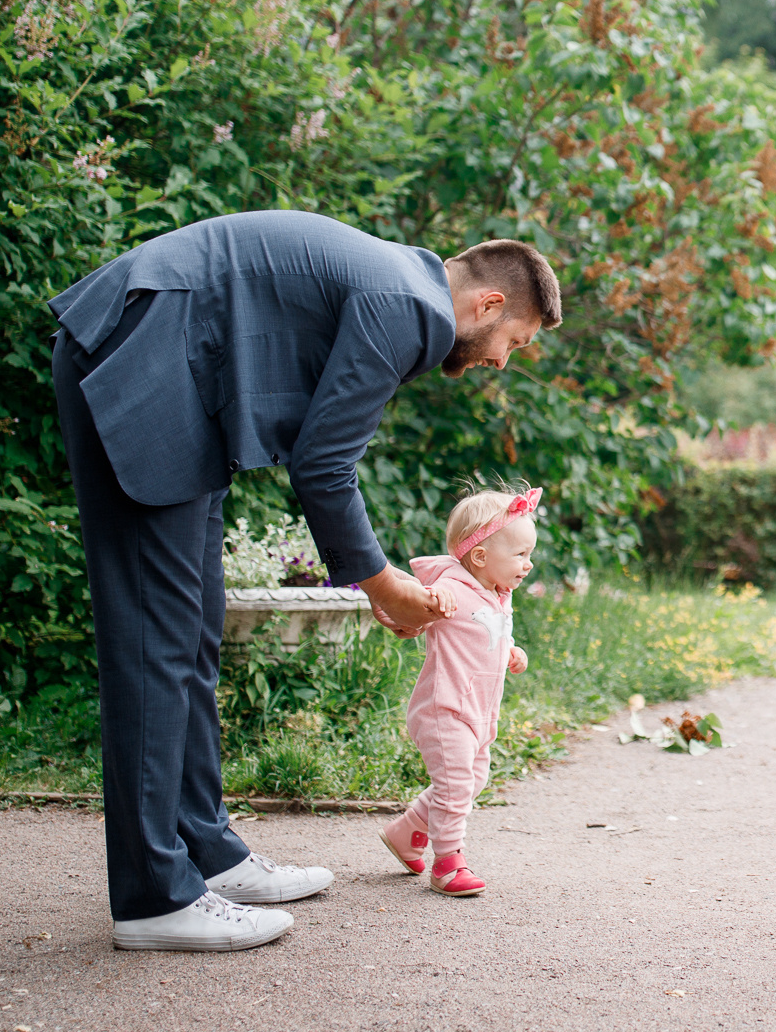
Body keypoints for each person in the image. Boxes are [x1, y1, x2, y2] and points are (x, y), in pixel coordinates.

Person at [49, 210, 562, 950]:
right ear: (487, 305)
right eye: (513, 341)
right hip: (145, 360)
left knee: (192, 631)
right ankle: (153, 895)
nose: (502, 360)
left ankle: (205, 852)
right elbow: (322, 463)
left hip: (175, 374)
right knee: (153, 641)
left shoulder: (401, 283)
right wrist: (385, 585)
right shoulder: (409, 306)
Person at [378, 485, 539, 897]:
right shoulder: (447, 590)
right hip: (445, 708)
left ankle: (407, 829)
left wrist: (511, 651)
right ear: (481, 556)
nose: (529, 564)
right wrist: (430, 602)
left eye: (529, 554)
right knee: (454, 787)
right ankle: (448, 863)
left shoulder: (498, 594)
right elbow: (398, 610)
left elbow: (484, 637)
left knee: (472, 781)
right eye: (520, 555)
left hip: (481, 713)